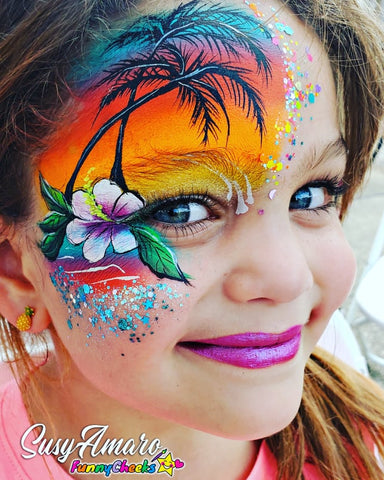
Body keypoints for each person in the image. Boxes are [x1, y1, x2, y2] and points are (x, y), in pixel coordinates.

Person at [0, 0, 383, 478]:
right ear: (15, 270)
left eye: (311, 196)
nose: (289, 277)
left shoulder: (364, 445)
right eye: (180, 209)